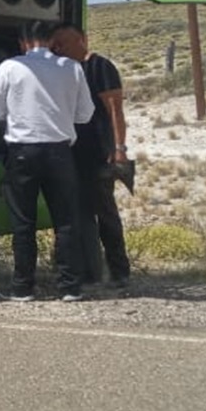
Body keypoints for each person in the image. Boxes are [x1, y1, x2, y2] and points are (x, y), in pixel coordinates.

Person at [0, 19, 94, 302]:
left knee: (23, 222)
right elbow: (85, 114)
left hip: (22, 152)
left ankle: (23, 287)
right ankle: (70, 286)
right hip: (60, 151)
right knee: (66, 221)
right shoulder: (73, 68)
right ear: (52, 41)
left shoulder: (10, 67)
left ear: (22, 42)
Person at [52, 24, 133, 291]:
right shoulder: (67, 71)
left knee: (105, 212)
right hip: (74, 151)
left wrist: (119, 147)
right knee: (80, 214)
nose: (60, 49)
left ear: (81, 40)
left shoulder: (99, 67)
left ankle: (119, 271)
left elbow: (115, 109)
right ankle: (90, 271)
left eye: (64, 43)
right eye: (57, 45)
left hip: (99, 151)